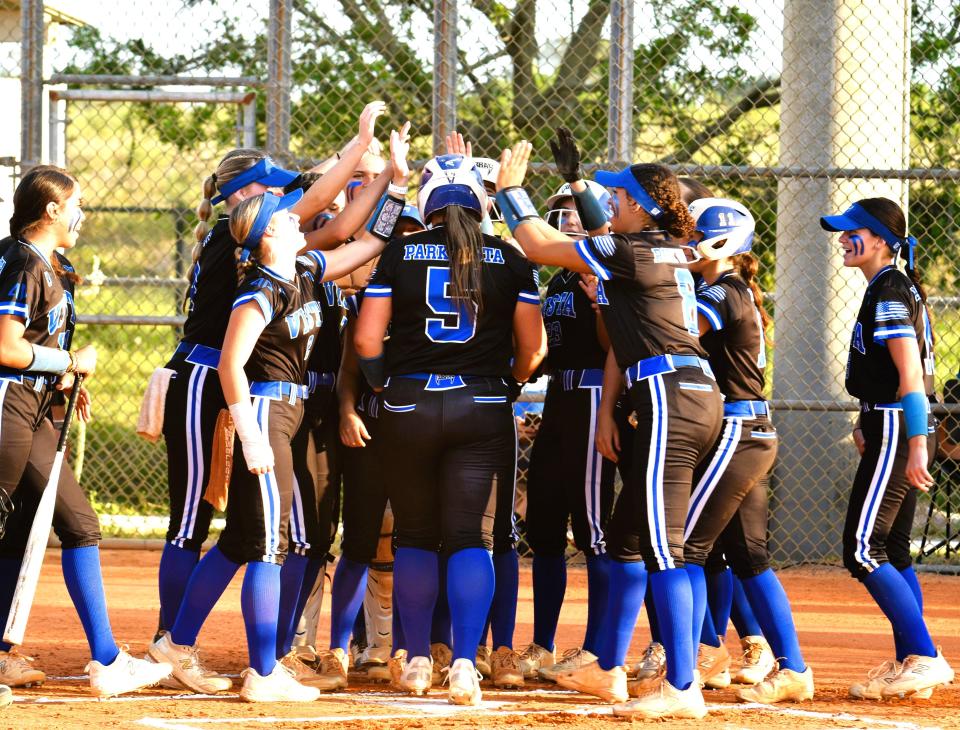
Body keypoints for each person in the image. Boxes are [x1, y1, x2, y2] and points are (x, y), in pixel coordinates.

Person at [148, 122, 411, 702]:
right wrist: (252, 438)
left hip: (281, 416)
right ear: (263, 228)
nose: (300, 215)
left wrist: (393, 182)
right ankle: (264, 670)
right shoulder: (258, 284)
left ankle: (175, 642)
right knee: (269, 541)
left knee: (242, 539)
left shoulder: (300, 271)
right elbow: (231, 365)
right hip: (262, 414)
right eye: (284, 212)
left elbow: (360, 241)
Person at [494, 130, 723, 719]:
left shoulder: (635, 249)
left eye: (616, 194)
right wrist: (574, 183)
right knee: (624, 543)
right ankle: (606, 664)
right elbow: (605, 230)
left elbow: (541, 246)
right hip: (680, 392)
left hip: (670, 394)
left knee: (663, 551)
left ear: (641, 205)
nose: (607, 201)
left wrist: (511, 193)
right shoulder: (663, 241)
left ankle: (682, 686)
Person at [354, 153, 547, 706]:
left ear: (428, 202)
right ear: (482, 202)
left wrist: (385, 383)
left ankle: (416, 660)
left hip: (410, 401)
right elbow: (534, 349)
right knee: (472, 539)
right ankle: (465, 663)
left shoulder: (399, 253)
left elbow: (368, 341)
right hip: (482, 404)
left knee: (414, 534)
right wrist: (505, 383)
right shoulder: (510, 258)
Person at [0, 165, 173, 697]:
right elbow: (5, 347)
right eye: (77, 204)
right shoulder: (24, 264)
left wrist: (64, 375)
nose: (84, 214)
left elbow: (37, 346)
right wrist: (66, 360)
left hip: (32, 409)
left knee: (44, 526)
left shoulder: (52, 264)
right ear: (51, 210)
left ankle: (79, 658)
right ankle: (104, 659)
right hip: (8, 406)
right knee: (55, 524)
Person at [675, 197, 813, 703]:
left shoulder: (721, 291)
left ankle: (683, 671)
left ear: (719, 240)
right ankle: (792, 668)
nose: (685, 242)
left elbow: (681, 333)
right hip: (750, 431)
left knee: (683, 549)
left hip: (736, 432)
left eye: (693, 234)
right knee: (750, 558)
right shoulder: (732, 289)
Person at [820, 197, 954, 699]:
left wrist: (917, 444)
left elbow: (911, 377)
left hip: (900, 426)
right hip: (889, 424)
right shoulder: (885, 287)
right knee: (894, 550)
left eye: (852, 231)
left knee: (862, 548)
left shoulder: (890, 290)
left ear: (879, 239)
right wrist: (864, 419)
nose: (842, 239)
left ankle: (922, 656)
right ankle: (912, 662)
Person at [518, 181, 621, 684]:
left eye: (580, 212)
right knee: (544, 527)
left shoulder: (607, 269)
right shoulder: (559, 280)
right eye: (561, 212)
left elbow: (612, 344)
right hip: (560, 399)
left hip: (594, 399)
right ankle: (543, 643)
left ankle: (601, 650)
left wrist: (602, 300)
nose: (571, 220)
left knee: (595, 532)